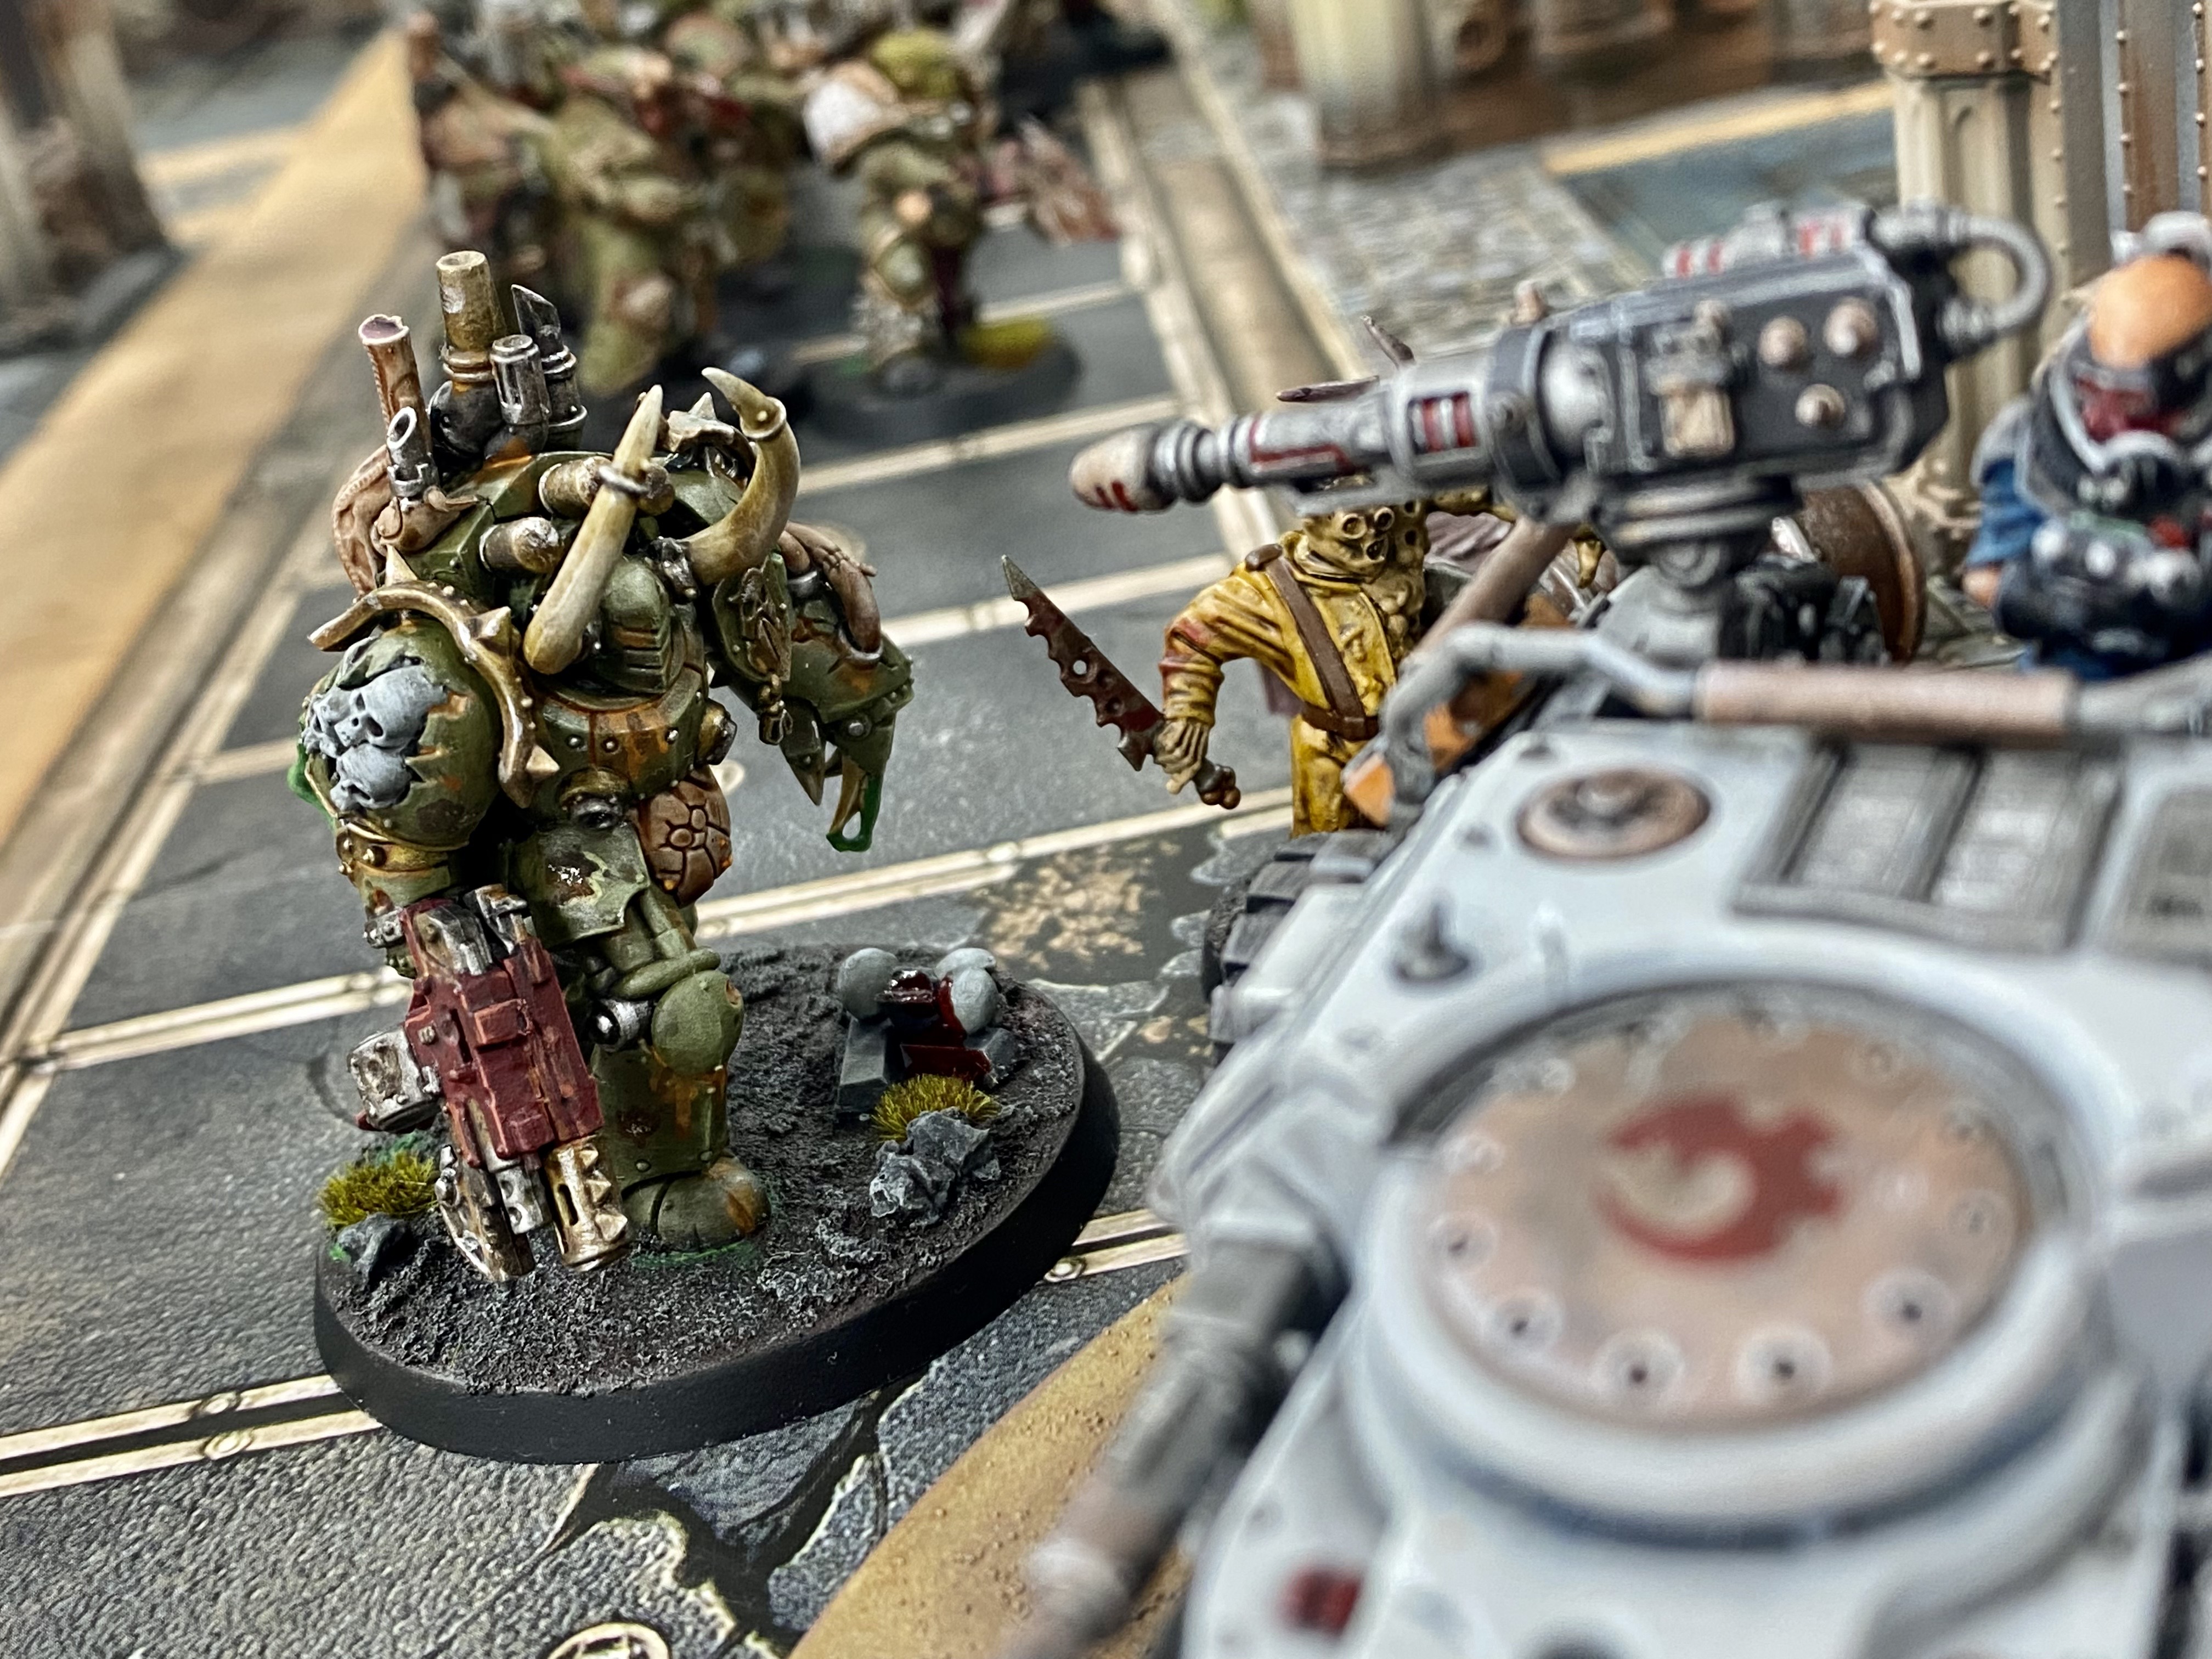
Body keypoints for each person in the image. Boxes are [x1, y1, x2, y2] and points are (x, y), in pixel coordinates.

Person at [1963, 214, 2212, 679]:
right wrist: (2039, 602)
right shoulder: (2032, 445)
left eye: (2131, 402)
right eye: (2093, 392)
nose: (2100, 418)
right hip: (2073, 683)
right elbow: (1983, 576)